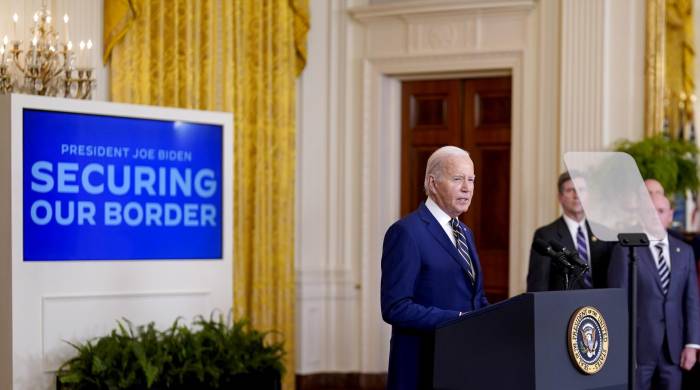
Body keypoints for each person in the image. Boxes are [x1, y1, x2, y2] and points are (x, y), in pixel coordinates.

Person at [380, 146, 488, 390]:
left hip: (463, 365)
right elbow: (395, 307)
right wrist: (457, 320)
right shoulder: (407, 233)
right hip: (422, 367)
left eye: (471, 180)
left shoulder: (466, 233)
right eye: (458, 179)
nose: (467, 188)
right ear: (433, 182)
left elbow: (476, 298)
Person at [608, 193, 700, 390]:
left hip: (674, 350)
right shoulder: (626, 250)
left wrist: (692, 344)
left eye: (660, 211)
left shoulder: (685, 251)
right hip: (638, 349)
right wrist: (621, 347)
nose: (655, 216)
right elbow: (617, 302)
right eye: (649, 211)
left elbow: (692, 301)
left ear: (670, 215)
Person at [526, 172, 614, 291]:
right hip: (563, 307)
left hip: (600, 307)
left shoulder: (603, 233)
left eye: (581, 190)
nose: (576, 195)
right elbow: (538, 284)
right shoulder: (545, 235)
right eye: (570, 190)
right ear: (560, 197)